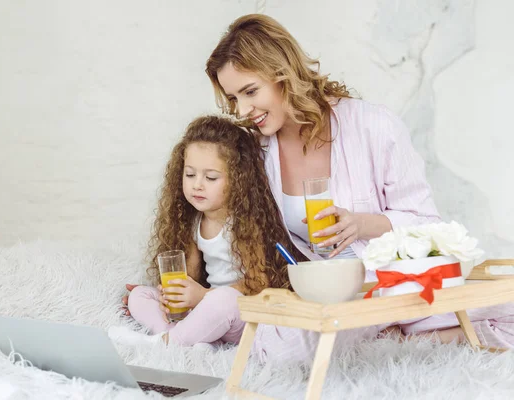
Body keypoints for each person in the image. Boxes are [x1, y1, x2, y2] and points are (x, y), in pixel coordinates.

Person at [201, 13, 514, 362]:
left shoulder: (372, 125)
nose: (243, 110)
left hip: (401, 283)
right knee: (285, 350)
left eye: (250, 92)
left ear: (282, 75)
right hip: (338, 296)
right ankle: (396, 335)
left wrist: (361, 223)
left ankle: (403, 337)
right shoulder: (258, 152)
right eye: (233, 99)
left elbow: (427, 222)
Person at [110, 115, 303, 347]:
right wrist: (173, 294)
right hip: (206, 309)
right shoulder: (193, 222)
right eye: (190, 174)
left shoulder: (243, 223)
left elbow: (257, 283)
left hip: (240, 314)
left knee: (225, 299)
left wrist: (203, 296)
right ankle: (188, 340)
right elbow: (189, 278)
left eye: (210, 177)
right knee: (140, 295)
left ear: (239, 181)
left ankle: (165, 343)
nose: (197, 184)